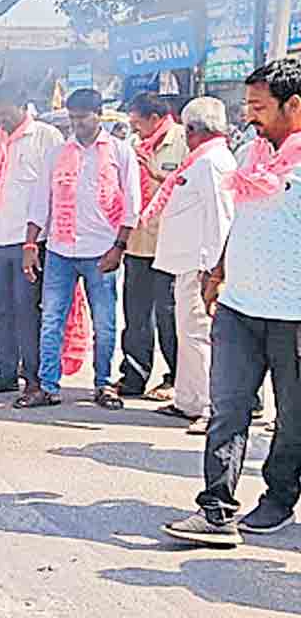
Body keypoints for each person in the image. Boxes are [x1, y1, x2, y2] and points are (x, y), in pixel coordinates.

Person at [163, 59, 301, 546]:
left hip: (293, 317)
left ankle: (279, 498)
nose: (249, 116)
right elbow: (238, 218)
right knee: (228, 410)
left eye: (259, 107)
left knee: (293, 417)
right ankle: (217, 510)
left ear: (294, 106)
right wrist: (218, 271)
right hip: (240, 308)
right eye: (247, 105)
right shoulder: (251, 152)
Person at [18, 88, 140, 410]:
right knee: (51, 319)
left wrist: (119, 247)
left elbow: (132, 204)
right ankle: (47, 385)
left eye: (83, 118)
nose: (77, 125)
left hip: (102, 251)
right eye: (72, 119)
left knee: (105, 322)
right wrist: (31, 243)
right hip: (60, 249)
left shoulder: (120, 151)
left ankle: (103, 384)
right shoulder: (57, 153)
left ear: (99, 114)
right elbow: (40, 201)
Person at [144, 97, 236, 434]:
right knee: (188, 334)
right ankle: (187, 400)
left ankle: (211, 408)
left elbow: (221, 219)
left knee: (200, 337)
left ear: (193, 130)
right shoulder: (200, 160)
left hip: (201, 265)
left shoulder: (212, 162)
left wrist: (214, 271)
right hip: (188, 263)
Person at [0, 83, 64, 396]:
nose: (0, 120)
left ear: (22, 105)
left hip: (30, 242)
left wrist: (33, 242)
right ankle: (5, 373)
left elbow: (50, 194)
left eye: (5, 114)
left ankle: (35, 379)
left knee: (27, 311)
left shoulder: (46, 137)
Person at [114, 92, 186, 402]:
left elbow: (189, 186)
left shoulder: (184, 140)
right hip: (137, 244)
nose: (134, 130)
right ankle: (133, 376)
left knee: (169, 317)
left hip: (170, 245)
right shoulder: (133, 147)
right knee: (136, 316)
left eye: (137, 123)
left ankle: (176, 378)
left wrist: (157, 174)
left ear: (155, 119)